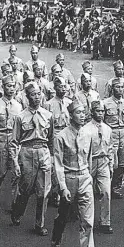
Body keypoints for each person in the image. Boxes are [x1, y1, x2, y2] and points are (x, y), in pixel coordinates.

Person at [49, 99, 101, 247]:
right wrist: (62, 187)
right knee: (63, 216)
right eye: (79, 113)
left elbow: (90, 158)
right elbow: (57, 164)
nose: (83, 115)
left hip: (85, 178)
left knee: (87, 221)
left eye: (84, 112)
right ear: (70, 115)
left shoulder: (88, 134)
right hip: (69, 179)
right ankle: (55, 242)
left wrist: (91, 179)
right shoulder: (61, 136)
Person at [9, 82, 54, 236]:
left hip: (43, 152)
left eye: (38, 93)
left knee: (44, 192)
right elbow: (14, 142)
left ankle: (39, 224)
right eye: (33, 94)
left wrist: (52, 158)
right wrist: (15, 162)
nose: (36, 97)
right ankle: (17, 212)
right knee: (25, 190)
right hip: (27, 153)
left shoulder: (48, 115)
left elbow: (51, 139)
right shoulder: (20, 117)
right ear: (27, 97)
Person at [0, 74, 23, 208]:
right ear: (3, 87)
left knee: (16, 173)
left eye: (13, 86)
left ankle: (14, 202)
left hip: (14, 141)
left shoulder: (18, 106)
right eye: (8, 86)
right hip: (1, 139)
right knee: (0, 172)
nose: (11, 89)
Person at [83, 100, 114, 233]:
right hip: (89, 163)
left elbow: (111, 148)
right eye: (98, 111)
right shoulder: (85, 129)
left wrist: (111, 164)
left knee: (106, 192)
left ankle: (105, 222)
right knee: (84, 192)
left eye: (102, 111)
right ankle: (82, 217)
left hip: (103, 162)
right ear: (92, 112)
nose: (100, 114)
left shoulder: (107, 129)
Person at [45, 76, 72, 207]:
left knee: (67, 163)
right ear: (55, 88)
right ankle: (54, 192)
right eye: (60, 86)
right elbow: (48, 126)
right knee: (56, 165)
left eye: (64, 86)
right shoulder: (49, 104)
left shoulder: (69, 103)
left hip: (67, 134)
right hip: (55, 135)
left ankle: (65, 190)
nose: (63, 88)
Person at [103, 78, 124, 200]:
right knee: (111, 163)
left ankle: (115, 187)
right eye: (117, 87)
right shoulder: (105, 103)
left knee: (121, 163)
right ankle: (105, 185)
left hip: (122, 133)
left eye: (122, 87)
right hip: (111, 133)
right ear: (112, 89)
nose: (120, 90)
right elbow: (102, 121)